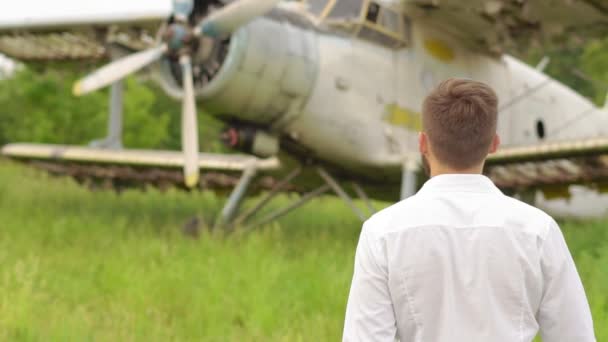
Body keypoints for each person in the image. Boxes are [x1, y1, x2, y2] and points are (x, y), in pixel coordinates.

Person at [342, 78, 595, 342]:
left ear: (423, 144)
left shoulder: (382, 232)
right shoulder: (538, 231)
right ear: (494, 144)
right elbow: (575, 335)